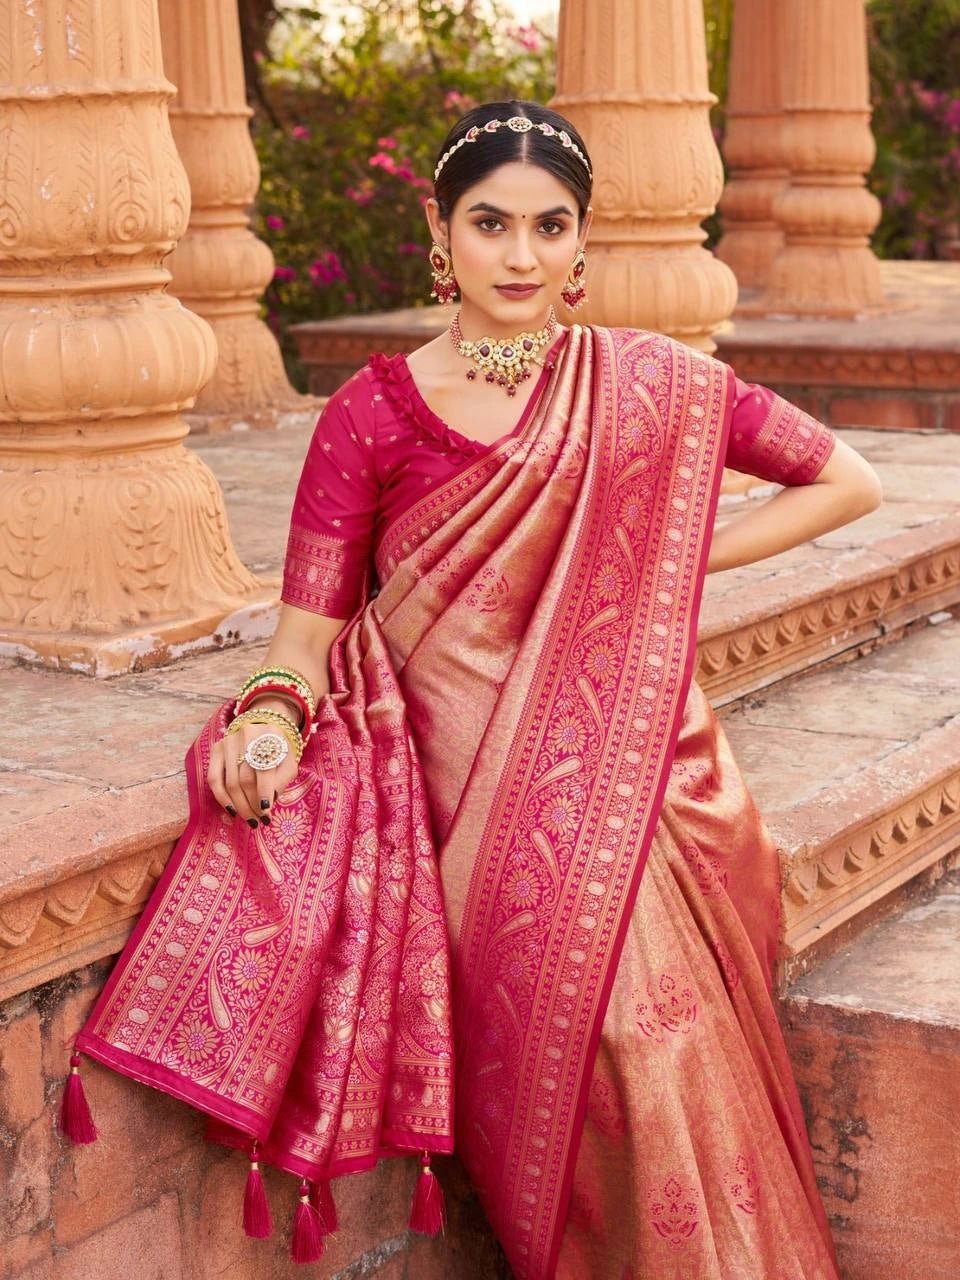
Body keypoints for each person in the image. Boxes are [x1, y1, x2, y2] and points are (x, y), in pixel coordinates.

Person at [68, 101, 881, 1278]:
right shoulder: (369, 417)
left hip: (630, 788)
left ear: (581, 240)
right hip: (465, 823)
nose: (521, 254)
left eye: (550, 226)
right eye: (491, 222)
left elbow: (847, 481)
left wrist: (656, 553)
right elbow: (303, 639)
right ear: (440, 233)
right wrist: (271, 718)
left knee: (657, 1041)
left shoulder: (646, 384)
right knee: (591, 1058)